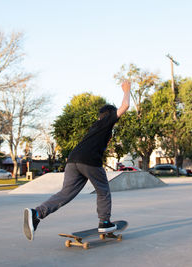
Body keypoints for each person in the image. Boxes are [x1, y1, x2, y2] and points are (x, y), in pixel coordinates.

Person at [23, 81, 131, 241]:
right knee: (103, 190)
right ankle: (105, 222)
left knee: (65, 193)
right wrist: (127, 91)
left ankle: (37, 213)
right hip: (89, 161)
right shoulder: (106, 122)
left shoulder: (95, 126)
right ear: (109, 115)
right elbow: (126, 106)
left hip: (73, 160)